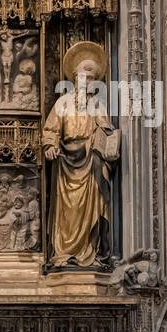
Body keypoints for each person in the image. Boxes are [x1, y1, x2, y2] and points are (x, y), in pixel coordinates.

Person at [42, 42, 120, 268]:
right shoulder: (63, 103)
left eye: (91, 78)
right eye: (82, 77)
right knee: (69, 213)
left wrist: (108, 140)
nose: (86, 82)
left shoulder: (97, 104)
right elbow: (51, 130)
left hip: (90, 165)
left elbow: (106, 130)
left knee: (91, 208)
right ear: (74, 79)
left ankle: (89, 251)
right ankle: (64, 252)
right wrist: (50, 146)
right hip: (67, 163)